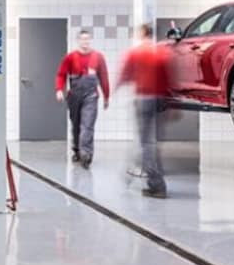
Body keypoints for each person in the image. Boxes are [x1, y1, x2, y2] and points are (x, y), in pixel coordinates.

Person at [119, 24, 171, 198]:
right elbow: (167, 78)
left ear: (142, 34)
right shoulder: (161, 53)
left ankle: (157, 185)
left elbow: (125, 75)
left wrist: (116, 89)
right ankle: (152, 178)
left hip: (143, 100)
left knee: (145, 144)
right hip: (159, 100)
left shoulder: (136, 52)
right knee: (153, 143)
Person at [55, 28, 110, 168]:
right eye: (83, 39)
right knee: (76, 125)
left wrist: (106, 96)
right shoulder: (70, 57)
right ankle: (77, 150)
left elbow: (104, 77)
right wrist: (59, 89)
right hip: (74, 95)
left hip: (91, 96)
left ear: (90, 40)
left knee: (88, 125)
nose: (85, 42)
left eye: (87, 39)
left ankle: (86, 154)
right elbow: (61, 74)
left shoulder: (98, 57)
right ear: (78, 41)